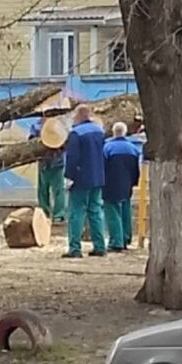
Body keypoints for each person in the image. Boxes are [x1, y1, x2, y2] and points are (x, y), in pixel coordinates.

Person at [63, 104, 106, 258]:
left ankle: (75, 248)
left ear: (79, 116)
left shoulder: (76, 133)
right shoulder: (100, 131)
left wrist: (69, 177)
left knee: (76, 213)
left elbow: (72, 158)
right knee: (95, 211)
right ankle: (100, 246)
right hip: (98, 177)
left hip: (80, 178)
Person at [103, 122, 141, 251]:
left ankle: (116, 241)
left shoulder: (107, 148)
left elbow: (103, 167)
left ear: (114, 132)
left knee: (112, 212)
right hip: (127, 184)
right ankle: (126, 238)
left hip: (110, 184)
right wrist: (134, 182)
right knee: (125, 211)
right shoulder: (133, 149)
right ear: (125, 132)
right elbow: (136, 169)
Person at [28, 112, 66, 223]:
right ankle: (44, 213)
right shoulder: (36, 126)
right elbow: (30, 143)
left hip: (57, 163)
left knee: (58, 190)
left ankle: (59, 214)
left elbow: (65, 143)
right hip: (43, 162)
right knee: (43, 190)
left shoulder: (59, 126)